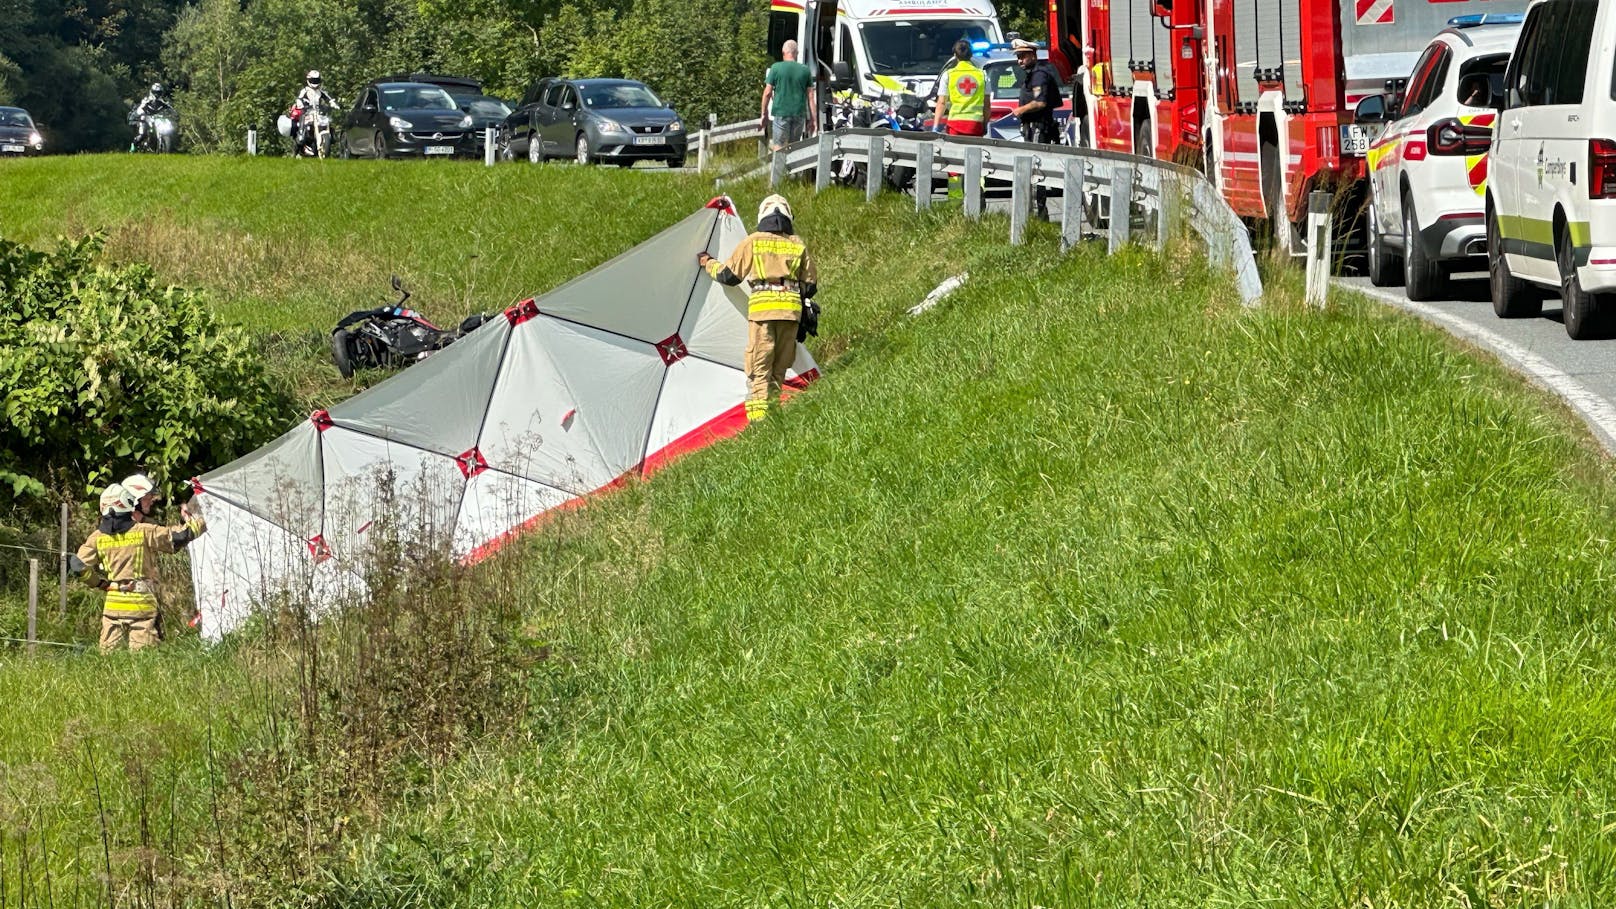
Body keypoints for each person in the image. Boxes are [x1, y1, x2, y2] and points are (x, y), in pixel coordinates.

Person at [698, 195, 818, 423]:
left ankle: (759, 423)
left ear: (762, 216)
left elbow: (729, 276)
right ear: (788, 216)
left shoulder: (754, 241)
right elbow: (810, 286)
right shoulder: (797, 244)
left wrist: (707, 263)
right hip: (790, 314)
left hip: (763, 313)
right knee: (778, 370)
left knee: (759, 370)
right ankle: (773, 416)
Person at [71, 477, 208, 653]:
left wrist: (102, 584)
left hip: (113, 606)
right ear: (128, 503)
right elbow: (178, 538)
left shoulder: (98, 537)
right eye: (146, 497)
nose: (151, 500)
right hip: (141, 606)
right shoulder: (144, 532)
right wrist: (205, 519)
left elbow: (77, 565)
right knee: (143, 659)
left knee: (108, 660)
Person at [762, 41, 816, 152]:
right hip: (799, 114)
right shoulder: (805, 70)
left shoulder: (775, 68)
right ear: (796, 53)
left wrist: (764, 114)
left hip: (781, 112)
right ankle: (792, 169)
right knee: (794, 147)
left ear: (783, 52)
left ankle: (780, 169)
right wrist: (813, 120)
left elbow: (767, 93)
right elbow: (811, 96)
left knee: (779, 146)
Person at [932, 40, 988, 137]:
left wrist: (935, 126)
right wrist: (985, 125)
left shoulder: (948, 75)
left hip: (955, 125)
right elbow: (987, 105)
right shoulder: (982, 75)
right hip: (975, 125)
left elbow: (941, 103)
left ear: (955, 55)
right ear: (971, 55)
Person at [291, 70, 339, 155]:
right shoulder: (305, 90)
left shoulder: (321, 91)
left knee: (328, 122)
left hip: (318, 112)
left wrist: (333, 104)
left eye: (317, 80)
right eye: (313, 80)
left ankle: (331, 138)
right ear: (309, 80)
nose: (315, 82)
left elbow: (329, 99)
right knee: (303, 124)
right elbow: (299, 98)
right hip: (307, 112)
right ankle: (300, 137)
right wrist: (300, 104)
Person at [129, 83, 171, 150]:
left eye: (159, 92)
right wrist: (141, 111)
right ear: (152, 92)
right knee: (143, 134)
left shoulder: (162, 101)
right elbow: (140, 109)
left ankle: (159, 145)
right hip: (146, 118)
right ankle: (133, 147)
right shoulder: (146, 100)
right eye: (155, 92)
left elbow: (169, 108)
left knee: (167, 128)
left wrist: (173, 113)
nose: (157, 94)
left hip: (157, 119)